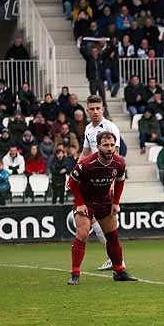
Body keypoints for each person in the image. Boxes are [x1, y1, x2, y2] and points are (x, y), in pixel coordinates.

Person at [66, 131, 135, 285]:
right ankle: (75, 274)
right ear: (98, 147)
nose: (109, 148)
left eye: (112, 145)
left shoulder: (119, 163)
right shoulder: (86, 164)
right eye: (105, 145)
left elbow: (120, 181)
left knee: (112, 237)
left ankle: (119, 271)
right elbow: (72, 182)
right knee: (83, 233)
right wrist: (80, 203)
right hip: (86, 202)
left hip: (105, 202)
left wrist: (116, 202)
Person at [81, 95, 124, 271]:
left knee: (109, 221)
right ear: (87, 111)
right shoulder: (88, 129)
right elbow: (85, 153)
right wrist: (74, 172)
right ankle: (112, 257)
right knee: (94, 221)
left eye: (98, 108)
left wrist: (112, 182)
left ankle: (117, 260)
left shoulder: (110, 127)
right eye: (92, 109)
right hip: (93, 180)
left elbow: (117, 156)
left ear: (103, 109)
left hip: (107, 180)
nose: (95, 112)